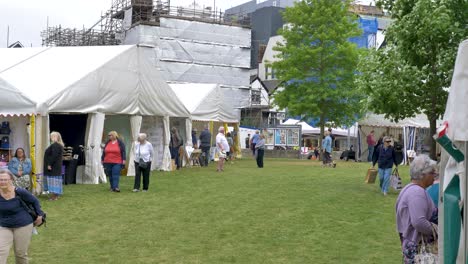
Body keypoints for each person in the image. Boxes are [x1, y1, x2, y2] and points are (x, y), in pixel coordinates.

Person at [396, 155, 438, 263]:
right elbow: (419, 222)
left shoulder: (409, 189)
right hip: (418, 249)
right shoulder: (417, 193)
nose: (435, 176)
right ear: (423, 174)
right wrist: (437, 231)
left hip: (411, 246)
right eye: (432, 173)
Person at [0, 169, 44, 264]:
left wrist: (40, 215)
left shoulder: (20, 191)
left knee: (20, 253)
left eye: (5, 179)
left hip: (23, 225)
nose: (2, 182)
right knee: (1, 251)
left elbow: (35, 201)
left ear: (11, 180)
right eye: (0, 179)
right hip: (4, 226)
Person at [43, 131, 64, 201]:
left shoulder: (56, 145)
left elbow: (54, 156)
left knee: (53, 181)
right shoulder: (56, 145)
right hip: (55, 167)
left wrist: (49, 164)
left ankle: (54, 196)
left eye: (52, 136)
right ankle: (55, 195)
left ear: (56, 137)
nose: (51, 138)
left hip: (53, 167)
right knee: (55, 181)